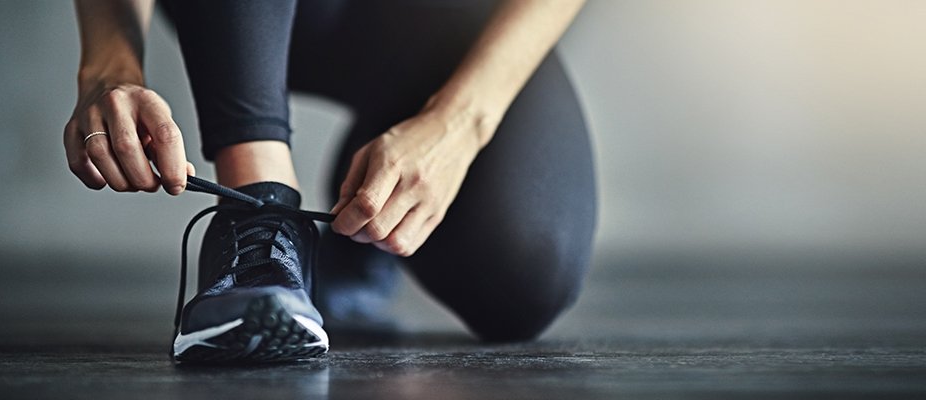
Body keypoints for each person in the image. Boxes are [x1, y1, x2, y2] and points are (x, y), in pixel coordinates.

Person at [65, 0, 597, 363]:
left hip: (449, 21)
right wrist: (109, 67)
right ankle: (259, 218)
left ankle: (364, 194)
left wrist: (459, 122)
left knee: (526, 277)